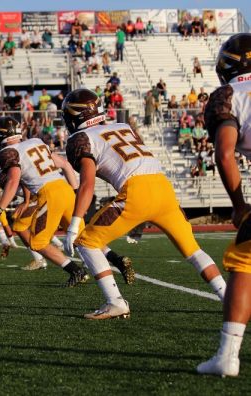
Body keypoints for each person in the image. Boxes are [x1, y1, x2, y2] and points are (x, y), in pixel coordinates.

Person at [62, 88, 226, 319]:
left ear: (73, 115)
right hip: (163, 188)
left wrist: (74, 223)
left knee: (86, 242)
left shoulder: (80, 138)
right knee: (193, 250)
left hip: (136, 192)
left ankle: (115, 302)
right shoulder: (123, 127)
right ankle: (227, 296)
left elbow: (87, 183)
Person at [0, 117, 134, 285]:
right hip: (66, 189)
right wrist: (77, 191)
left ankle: (75, 270)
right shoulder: (36, 142)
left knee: (38, 242)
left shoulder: (8, 153)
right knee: (82, 236)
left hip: (49, 194)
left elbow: (13, 180)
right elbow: (65, 164)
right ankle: (117, 259)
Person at [197, 33, 251, 377]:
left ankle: (227, 356)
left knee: (244, 267)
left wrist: (239, 205)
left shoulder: (232, 95)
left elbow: (225, 151)